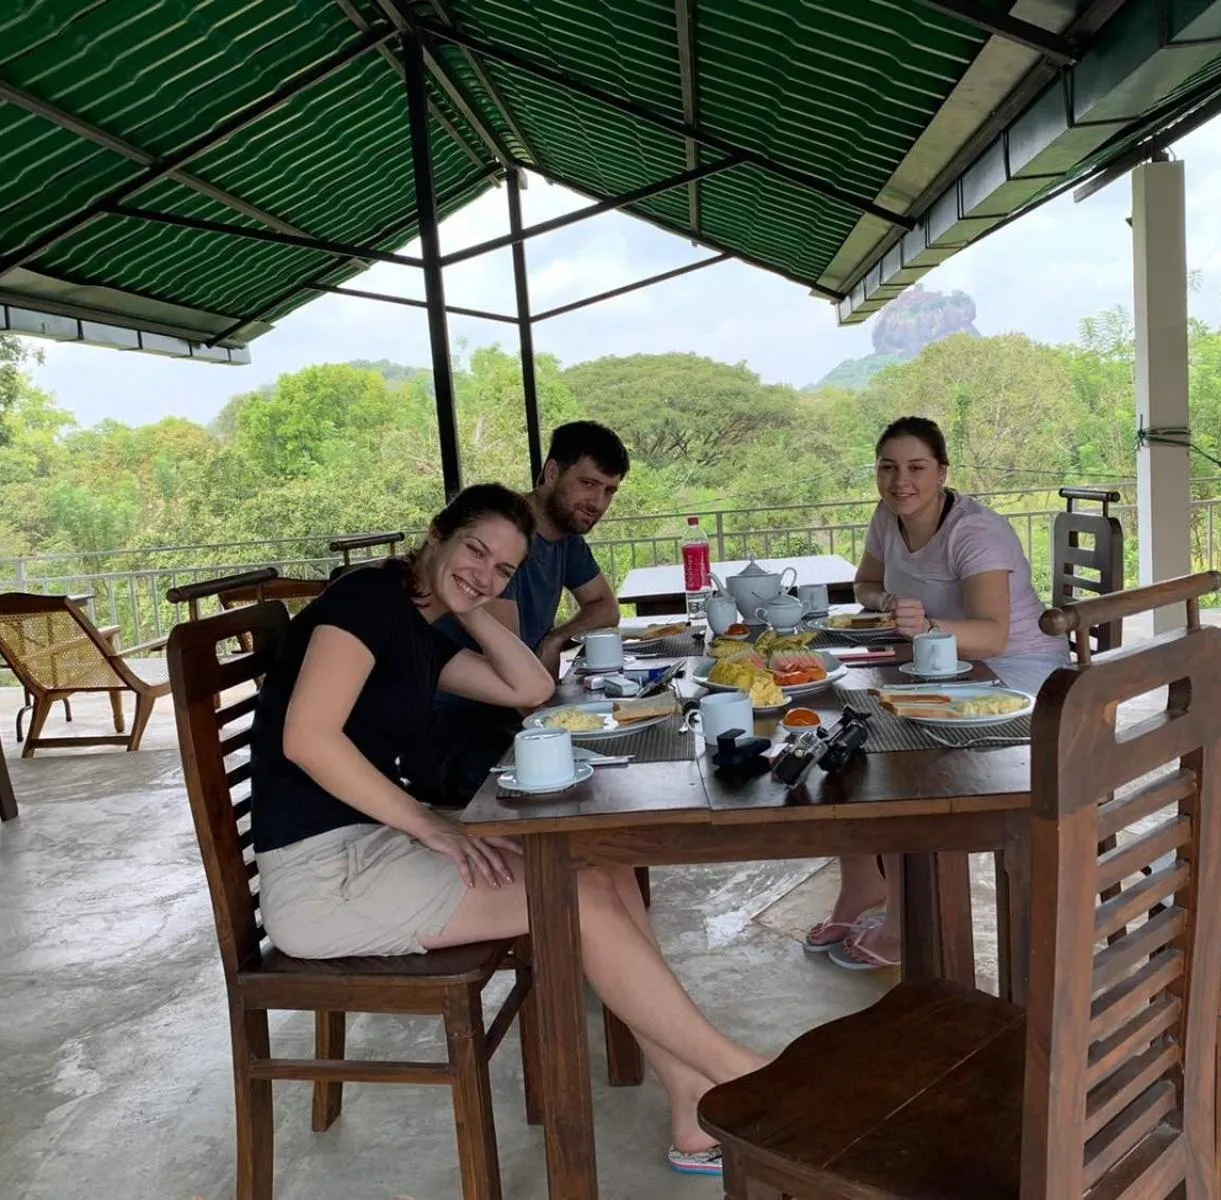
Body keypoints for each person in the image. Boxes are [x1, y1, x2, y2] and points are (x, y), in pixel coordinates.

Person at [250, 483, 759, 1174]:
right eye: (474, 550)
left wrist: (473, 602)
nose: (484, 573)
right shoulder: (365, 600)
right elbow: (308, 738)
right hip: (322, 882)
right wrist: (431, 825)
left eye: (503, 569)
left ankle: (694, 1103)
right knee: (571, 897)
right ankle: (742, 1078)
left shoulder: (418, 626)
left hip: (368, 849)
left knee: (599, 864)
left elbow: (530, 689)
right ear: (436, 534)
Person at [809, 416, 1068, 970]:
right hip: (942, 665)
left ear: (942, 472)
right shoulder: (888, 516)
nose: (900, 482)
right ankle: (862, 886)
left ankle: (907, 924)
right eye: (888, 468)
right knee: (848, 729)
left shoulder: (975, 532)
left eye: (916, 468)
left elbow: (993, 636)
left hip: (1015, 675)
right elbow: (865, 584)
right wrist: (887, 604)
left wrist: (925, 625)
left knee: (902, 758)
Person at [403, 421, 629, 808]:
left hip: (506, 711)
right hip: (451, 727)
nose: (597, 502)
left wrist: (555, 638)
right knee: (582, 786)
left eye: (609, 491)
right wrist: (573, 728)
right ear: (552, 472)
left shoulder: (565, 539)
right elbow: (512, 679)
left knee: (609, 765)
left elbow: (606, 607)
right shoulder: (506, 542)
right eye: (588, 483)